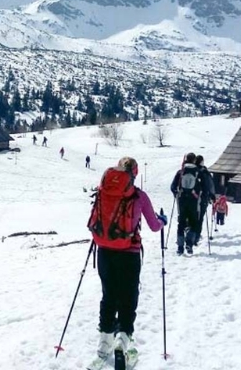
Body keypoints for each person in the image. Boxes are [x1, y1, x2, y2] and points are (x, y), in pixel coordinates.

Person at [88, 157, 166, 368]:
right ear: (135, 173)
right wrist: (163, 221)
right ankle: (123, 340)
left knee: (108, 295)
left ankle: (104, 344)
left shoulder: (103, 191)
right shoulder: (139, 196)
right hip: (129, 254)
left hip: (104, 251)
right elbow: (153, 225)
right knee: (128, 297)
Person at [170, 152, 202, 255]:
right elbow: (203, 187)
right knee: (193, 223)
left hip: (182, 200)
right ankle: (189, 244)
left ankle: (180, 247)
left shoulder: (181, 172)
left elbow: (173, 187)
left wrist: (176, 194)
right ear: (194, 160)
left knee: (181, 223)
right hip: (193, 201)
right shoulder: (197, 172)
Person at [193, 155, 216, 246]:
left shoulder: (191, 170)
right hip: (203, 198)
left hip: (191, 198)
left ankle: (190, 236)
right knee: (200, 217)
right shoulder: (204, 171)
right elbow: (210, 184)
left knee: (192, 217)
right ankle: (196, 237)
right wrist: (212, 195)